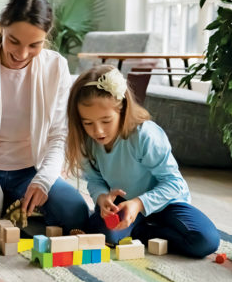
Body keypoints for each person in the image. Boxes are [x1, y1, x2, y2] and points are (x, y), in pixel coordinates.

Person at [0, 0, 89, 230]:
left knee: (76, 213)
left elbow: (58, 134)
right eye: (13, 41)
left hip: (30, 173)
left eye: (34, 45)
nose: (21, 54)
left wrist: (44, 180)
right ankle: (10, 206)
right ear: (2, 27)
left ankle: (16, 204)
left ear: (45, 38)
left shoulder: (56, 67)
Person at [65, 65, 220, 258]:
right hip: (123, 204)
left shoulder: (144, 135)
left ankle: (142, 230)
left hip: (166, 203)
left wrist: (139, 204)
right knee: (102, 233)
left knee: (205, 241)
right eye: (88, 123)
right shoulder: (86, 142)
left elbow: (174, 183)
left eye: (106, 121)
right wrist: (102, 197)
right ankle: (142, 230)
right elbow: (95, 180)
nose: (98, 131)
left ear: (121, 109)